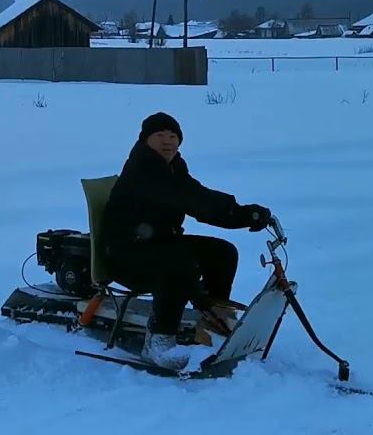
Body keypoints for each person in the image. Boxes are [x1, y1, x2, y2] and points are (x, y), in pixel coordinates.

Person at [103, 112, 273, 370]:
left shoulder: (173, 167)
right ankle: (158, 342)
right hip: (126, 254)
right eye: (159, 136)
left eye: (173, 136)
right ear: (145, 140)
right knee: (178, 266)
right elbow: (191, 201)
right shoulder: (143, 168)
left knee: (222, 252)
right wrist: (242, 214)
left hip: (158, 244)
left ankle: (213, 320)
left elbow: (195, 194)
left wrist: (241, 214)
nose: (168, 141)